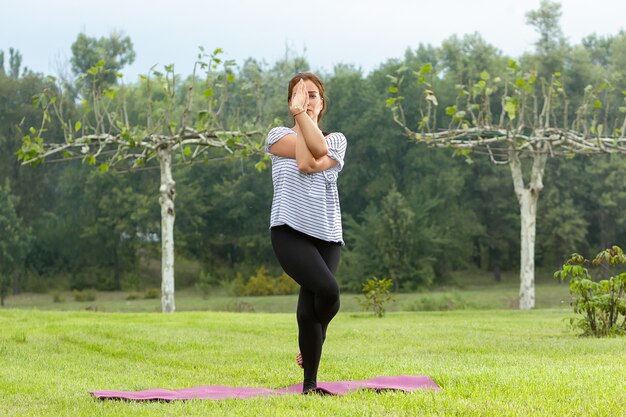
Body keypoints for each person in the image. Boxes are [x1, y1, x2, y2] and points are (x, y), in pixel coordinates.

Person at [266, 72, 347, 393]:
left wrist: (304, 119)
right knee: (328, 292)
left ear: (322, 103)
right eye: (300, 95)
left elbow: (314, 160)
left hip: (327, 234)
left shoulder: (337, 140)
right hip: (289, 231)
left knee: (307, 311)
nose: (307, 100)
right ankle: (318, 338)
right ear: (290, 103)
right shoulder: (275, 136)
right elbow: (304, 161)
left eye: (313, 95)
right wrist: (301, 118)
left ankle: (309, 385)